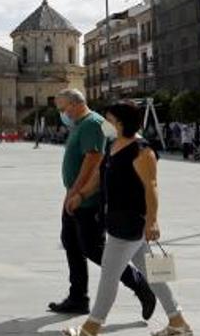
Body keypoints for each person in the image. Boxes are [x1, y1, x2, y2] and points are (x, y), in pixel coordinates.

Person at [62, 102, 192, 336]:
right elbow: (101, 178)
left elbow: (151, 187)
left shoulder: (142, 151)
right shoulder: (113, 146)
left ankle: (90, 330)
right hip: (116, 221)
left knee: (109, 276)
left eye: (108, 119)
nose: (104, 123)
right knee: (152, 276)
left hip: (131, 223)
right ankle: (178, 322)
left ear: (120, 123)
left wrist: (152, 221)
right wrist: (80, 195)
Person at [48, 89, 156, 319]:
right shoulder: (81, 123)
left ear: (77, 104)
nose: (62, 113)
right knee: (71, 243)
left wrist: (77, 192)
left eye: (64, 108)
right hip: (75, 195)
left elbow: (94, 158)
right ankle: (78, 297)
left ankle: (140, 286)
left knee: (93, 249)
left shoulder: (92, 124)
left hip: (88, 200)